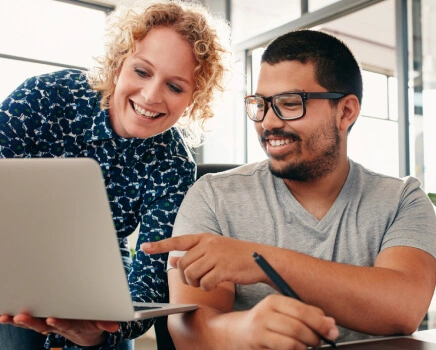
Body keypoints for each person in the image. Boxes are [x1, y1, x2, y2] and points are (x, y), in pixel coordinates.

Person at [142, 29, 436, 349]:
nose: (268, 122)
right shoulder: (211, 197)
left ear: (346, 112)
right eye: (260, 104)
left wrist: (261, 262)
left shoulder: (402, 200)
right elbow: (188, 331)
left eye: (290, 103)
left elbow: (402, 307)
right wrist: (241, 332)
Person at [0, 0, 230, 349]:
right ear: (118, 64)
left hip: (103, 261)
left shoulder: (175, 166)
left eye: (175, 86)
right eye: (142, 71)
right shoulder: (44, 98)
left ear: (194, 100)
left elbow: (151, 279)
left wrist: (103, 331)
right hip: (14, 252)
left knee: (106, 334)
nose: (151, 96)